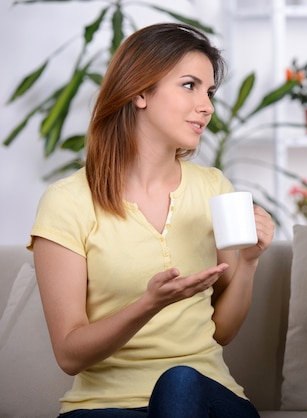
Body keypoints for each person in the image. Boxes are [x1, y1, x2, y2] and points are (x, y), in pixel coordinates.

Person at [28, 22, 274, 417]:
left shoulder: (214, 188)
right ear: (140, 91)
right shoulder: (67, 202)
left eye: (209, 92)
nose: (207, 106)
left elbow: (221, 332)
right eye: (190, 85)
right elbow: (69, 355)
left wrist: (248, 263)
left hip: (206, 398)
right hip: (106, 406)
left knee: (181, 382)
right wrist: (149, 304)